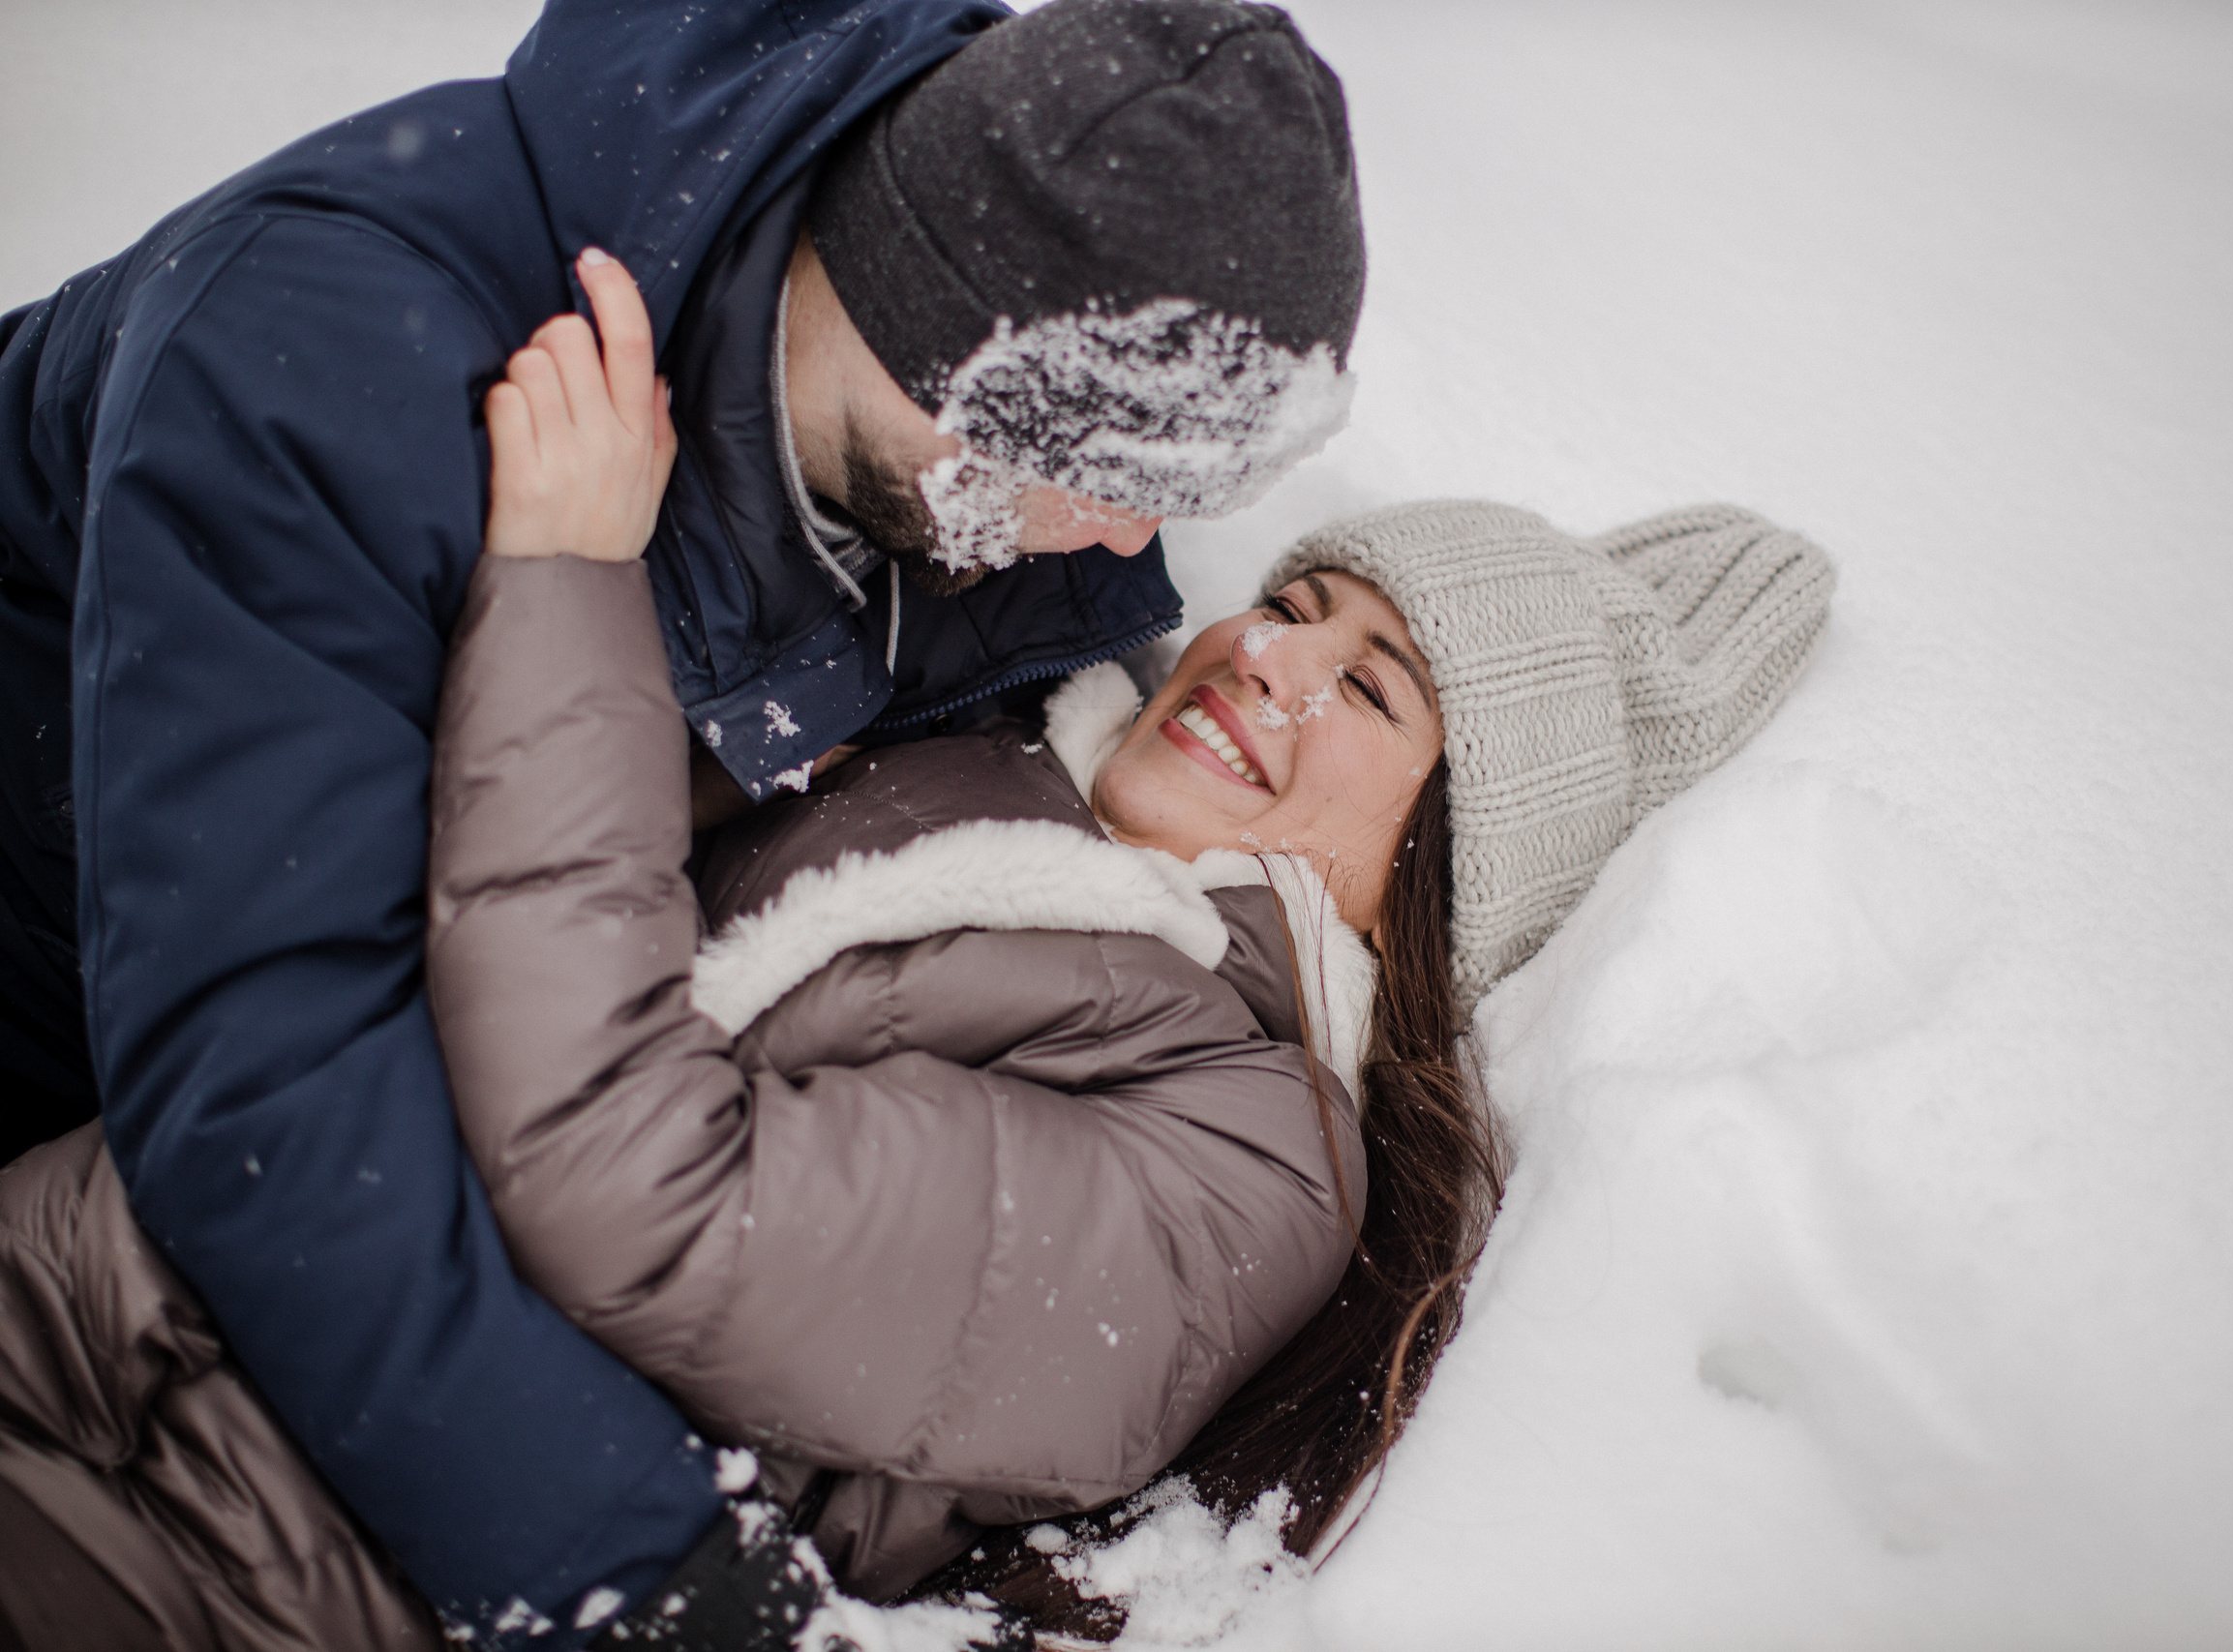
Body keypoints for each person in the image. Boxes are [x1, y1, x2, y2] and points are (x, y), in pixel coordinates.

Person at [0, 258, 1835, 1649]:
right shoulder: (978, 767)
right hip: (95, 1282)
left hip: (230, 1549)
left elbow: (646, 1195)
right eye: (1295, 600)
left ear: (1427, 883)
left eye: (1368, 688)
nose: (1267, 658)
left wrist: (563, 586)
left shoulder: (1242, 1163)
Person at [0, 0, 1363, 1639]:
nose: (1128, 534)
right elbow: (269, 1080)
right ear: (952, 340)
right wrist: (659, 1586)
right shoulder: (334, 346)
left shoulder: (956, 528)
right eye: (1105, 467)